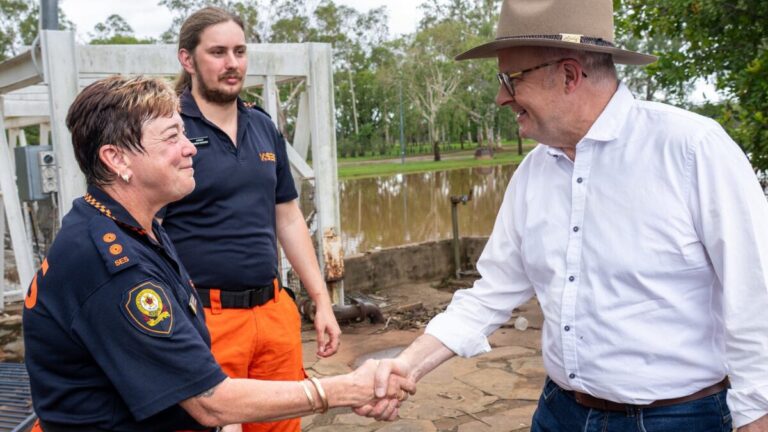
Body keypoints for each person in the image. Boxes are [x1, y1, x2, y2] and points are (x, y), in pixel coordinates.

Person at [360, 1, 768, 431]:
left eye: (511, 79)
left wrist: (756, 415)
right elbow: (490, 294)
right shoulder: (534, 172)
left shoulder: (692, 150)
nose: (501, 97)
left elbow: (756, 293)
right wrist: (407, 366)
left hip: (680, 417)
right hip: (560, 412)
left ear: (570, 75)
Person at [22, 75, 411, 432]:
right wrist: (342, 390)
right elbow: (212, 402)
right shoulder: (116, 268)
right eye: (172, 136)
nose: (190, 148)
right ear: (117, 159)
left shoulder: (132, 227)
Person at [159, 8, 342, 431]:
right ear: (187, 60)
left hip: (273, 312)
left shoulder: (262, 126)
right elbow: (147, 228)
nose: (232, 63)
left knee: (282, 423)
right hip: (205, 317)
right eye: (218, 52)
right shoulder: (170, 132)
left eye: (239, 51)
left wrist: (322, 300)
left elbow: (288, 218)